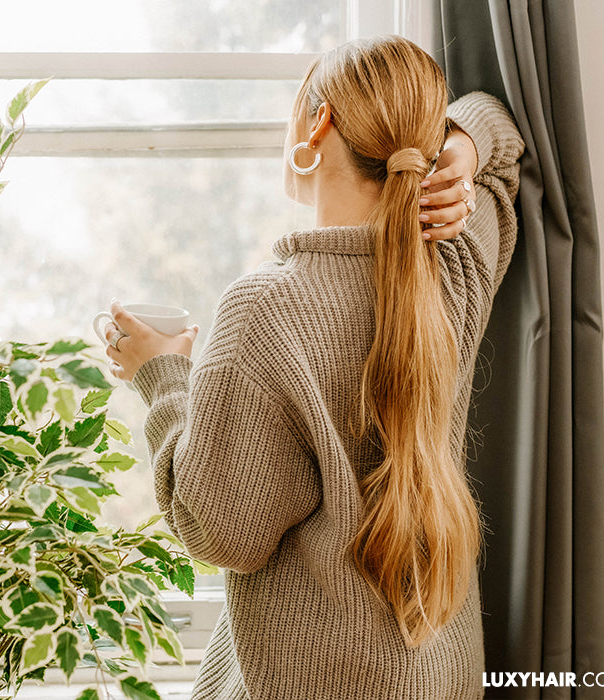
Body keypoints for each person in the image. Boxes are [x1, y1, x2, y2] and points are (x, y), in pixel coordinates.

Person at [101, 35, 524, 700]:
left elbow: (222, 532)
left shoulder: (264, 308)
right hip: (443, 674)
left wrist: (162, 376)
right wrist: (460, 158)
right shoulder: (455, 266)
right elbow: (498, 130)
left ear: (318, 123)